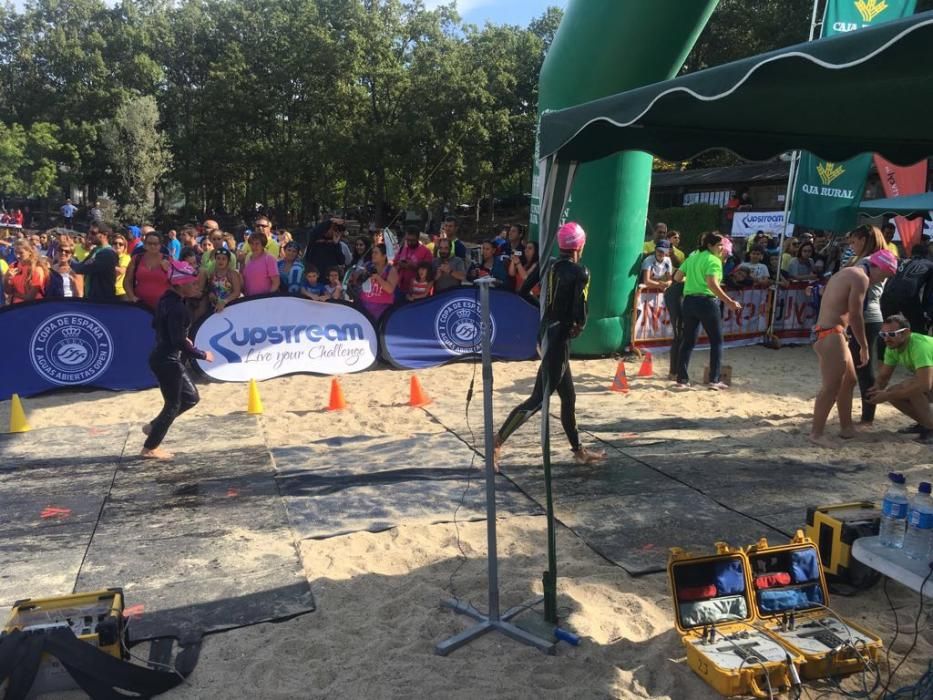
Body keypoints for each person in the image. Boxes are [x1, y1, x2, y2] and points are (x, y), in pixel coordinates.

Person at [493, 222, 606, 470]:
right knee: (538, 399)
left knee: (568, 396)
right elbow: (581, 307)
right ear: (580, 246)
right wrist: (580, 326)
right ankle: (497, 441)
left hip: (545, 332)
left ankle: (578, 450)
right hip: (559, 338)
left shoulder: (549, 264)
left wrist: (546, 310)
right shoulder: (580, 272)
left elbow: (523, 290)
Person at [809, 249, 898, 446]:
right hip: (831, 334)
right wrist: (864, 346)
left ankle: (846, 428)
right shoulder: (860, 278)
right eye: (885, 276)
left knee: (849, 381)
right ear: (878, 268)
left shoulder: (851, 272)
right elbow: (856, 314)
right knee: (831, 387)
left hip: (834, 333)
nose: (882, 281)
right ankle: (816, 433)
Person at [140, 261, 215, 460]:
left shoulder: (166, 299)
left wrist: (176, 335)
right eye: (192, 284)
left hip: (164, 357)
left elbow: (157, 324)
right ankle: (150, 447)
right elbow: (179, 342)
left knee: (191, 398)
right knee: (173, 405)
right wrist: (202, 354)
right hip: (167, 361)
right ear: (180, 285)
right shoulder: (178, 308)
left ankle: (154, 426)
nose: (197, 286)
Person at [674, 232, 743, 390]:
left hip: (689, 301)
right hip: (707, 302)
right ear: (710, 245)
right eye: (719, 245)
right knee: (717, 341)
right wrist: (730, 301)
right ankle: (714, 379)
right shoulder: (713, 260)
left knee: (688, 341)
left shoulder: (692, 257)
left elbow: (677, 277)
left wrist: (692, 280)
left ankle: (682, 379)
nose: (721, 248)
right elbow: (712, 284)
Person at [867, 314, 933, 443]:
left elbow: (925, 385)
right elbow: (884, 377)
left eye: (892, 334)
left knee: (911, 388)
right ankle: (925, 423)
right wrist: (876, 390)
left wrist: (886, 396)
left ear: (906, 333)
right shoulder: (893, 347)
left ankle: (930, 427)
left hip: (927, 382)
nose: (886, 339)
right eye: (883, 335)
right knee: (894, 391)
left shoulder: (920, 347)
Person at [880, 241, 933, 334]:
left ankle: (883, 346)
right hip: (908, 297)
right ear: (927, 254)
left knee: (888, 329)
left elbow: (890, 280)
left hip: (887, 296)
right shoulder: (930, 265)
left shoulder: (900, 261)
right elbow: (928, 294)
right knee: (918, 330)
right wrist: (928, 314)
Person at [69, 224, 119, 300]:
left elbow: (81, 269)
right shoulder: (96, 250)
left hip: (102, 300)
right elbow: (81, 265)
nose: (89, 235)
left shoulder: (107, 253)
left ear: (105, 235)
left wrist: (68, 258)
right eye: (89, 232)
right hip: (91, 297)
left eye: (93, 233)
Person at [123, 232, 171, 309]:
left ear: (160, 245)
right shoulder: (136, 259)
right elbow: (127, 280)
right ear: (145, 245)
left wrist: (168, 270)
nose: (152, 246)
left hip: (163, 306)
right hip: (141, 305)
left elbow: (177, 283)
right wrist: (132, 297)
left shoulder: (168, 260)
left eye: (155, 244)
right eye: (149, 243)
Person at [354, 243, 398, 319]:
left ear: (384, 256)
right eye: (373, 252)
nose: (373, 255)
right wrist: (362, 274)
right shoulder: (367, 265)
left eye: (376, 253)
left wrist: (378, 278)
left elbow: (390, 289)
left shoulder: (391, 270)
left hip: (382, 309)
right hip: (364, 305)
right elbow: (355, 280)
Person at [395, 226, 433, 295]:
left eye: (412, 240)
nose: (409, 242)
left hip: (417, 291)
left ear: (418, 238)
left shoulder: (426, 252)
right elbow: (395, 262)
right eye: (407, 240)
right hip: (400, 287)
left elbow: (429, 273)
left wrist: (413, 266)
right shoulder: (403, 248)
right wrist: (399, 264)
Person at [241, 231, 280, 296]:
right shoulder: (248, 258)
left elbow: (276, 283)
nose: (254, 246)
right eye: (252, 243)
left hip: (264, 301)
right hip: (249, 299)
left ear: (263, 245)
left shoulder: (269, 259)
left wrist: (267, 297)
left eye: (257, 244)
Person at [204, 248, 240, 313]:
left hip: (231, 306)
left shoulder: (232, 274)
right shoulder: (213, 274)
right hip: (216, 308)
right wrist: (212, 295)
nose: (221, 261)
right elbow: (211, 290)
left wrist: (224, 302)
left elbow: (237, 292)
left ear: (228, 261)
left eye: (224, 259)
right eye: (218, 258)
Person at [112, 234, 132, 301]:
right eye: (115, 243)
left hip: (121, 292)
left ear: (124, 246)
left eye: (120, 244)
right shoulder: (110, 256)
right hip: (109, 289)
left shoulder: (125, 257)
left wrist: (107, 265)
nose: (117, 245)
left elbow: (121, 271)